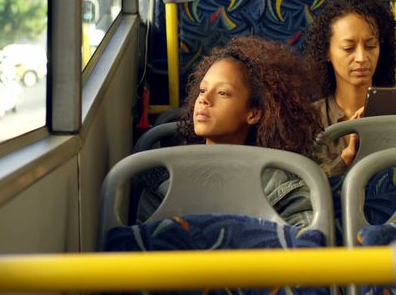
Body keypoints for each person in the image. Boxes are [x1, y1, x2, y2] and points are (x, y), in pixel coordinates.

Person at [136, 36, 322, 227]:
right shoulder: (163, 182)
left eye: (223, 93)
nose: (204, 99)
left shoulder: (284, 189)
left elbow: (303, 247)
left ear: (254, 113)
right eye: (202, 90)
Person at [305, 0, 396, 178]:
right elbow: (298, 190)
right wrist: (344, 160)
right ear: (327, 52)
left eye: (371, 46)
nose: (362, 58)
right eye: (348, 48)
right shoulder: (310, 120)